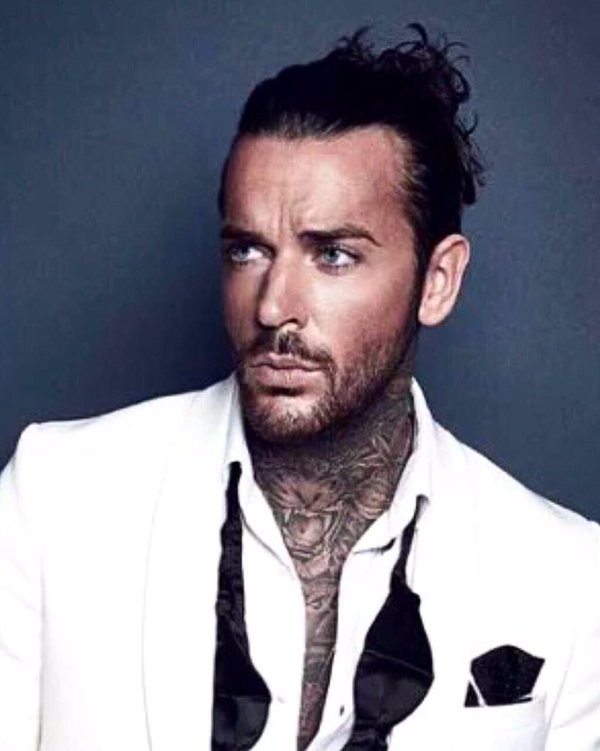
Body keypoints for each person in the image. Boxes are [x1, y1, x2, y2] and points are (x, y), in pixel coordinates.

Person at [0, 25, 599, 751]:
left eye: (334, 255)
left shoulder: (568, 575)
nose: (273, 305)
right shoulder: (55, 496)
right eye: (248, 250)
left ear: (437, 281)